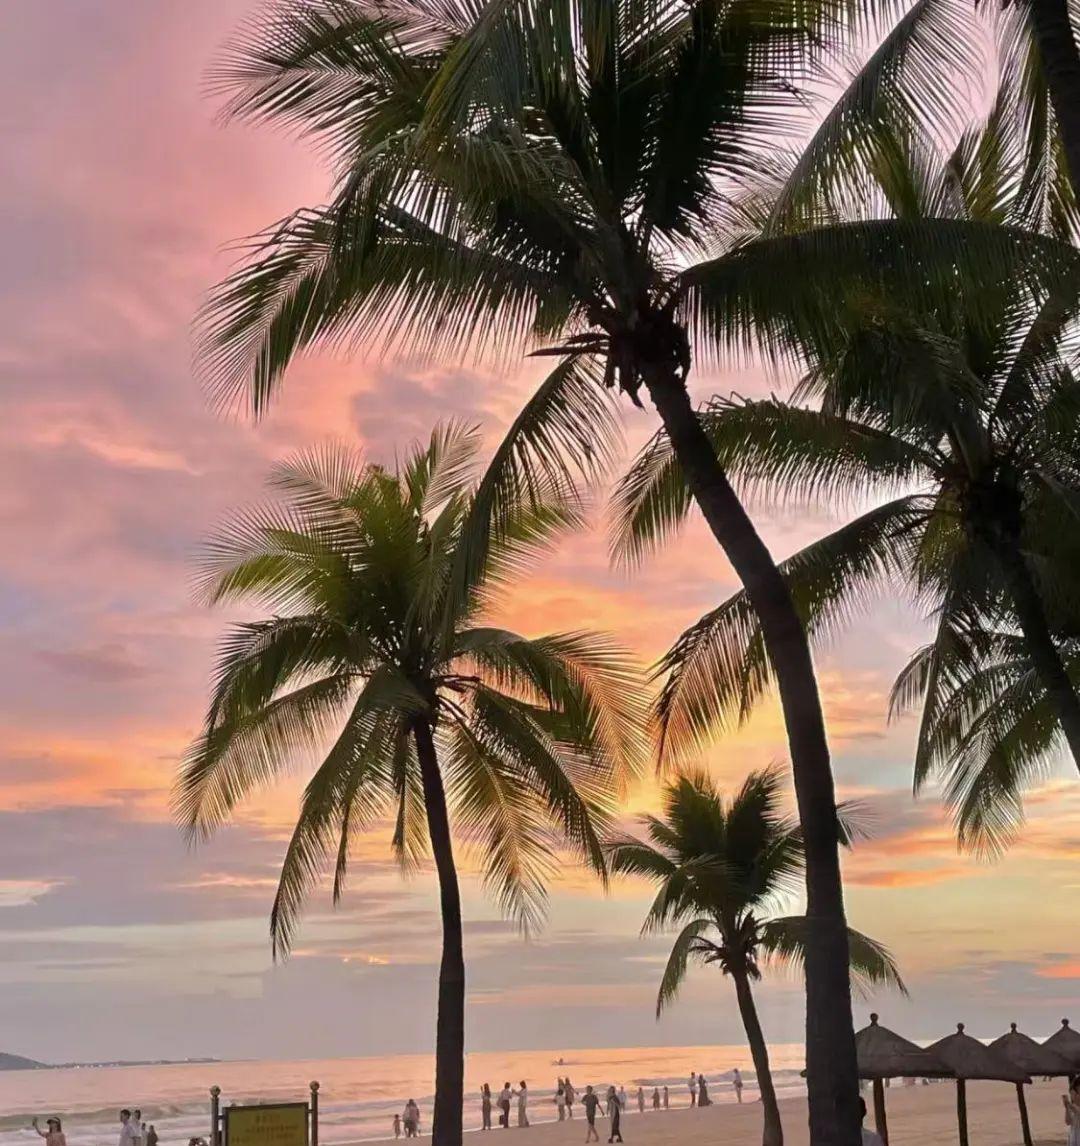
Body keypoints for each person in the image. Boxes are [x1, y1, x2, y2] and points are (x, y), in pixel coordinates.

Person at [1064, 1076, 1080, 1146]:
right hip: (1073, 1136)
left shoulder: (1073, 1107)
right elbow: (1068, 1122)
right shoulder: (1072, 1106)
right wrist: (1067, 1108)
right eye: (1072, 1094)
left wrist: (1070, 1105)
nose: (1074, 1096)